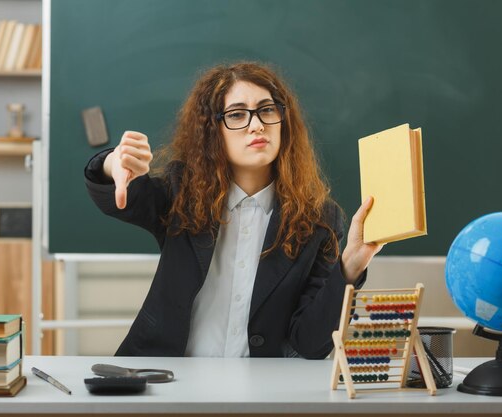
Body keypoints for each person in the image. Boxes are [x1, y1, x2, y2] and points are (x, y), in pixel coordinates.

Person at [84, 62, 382, 359]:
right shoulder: (182, 192)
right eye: (237, 114)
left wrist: (350, 268)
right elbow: (122, 198)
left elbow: (311, 344)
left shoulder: (320, 219)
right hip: (168, 378)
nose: (257, 125)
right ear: (213, 130)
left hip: (262, 392)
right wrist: (113, 164)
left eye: (267, 109)